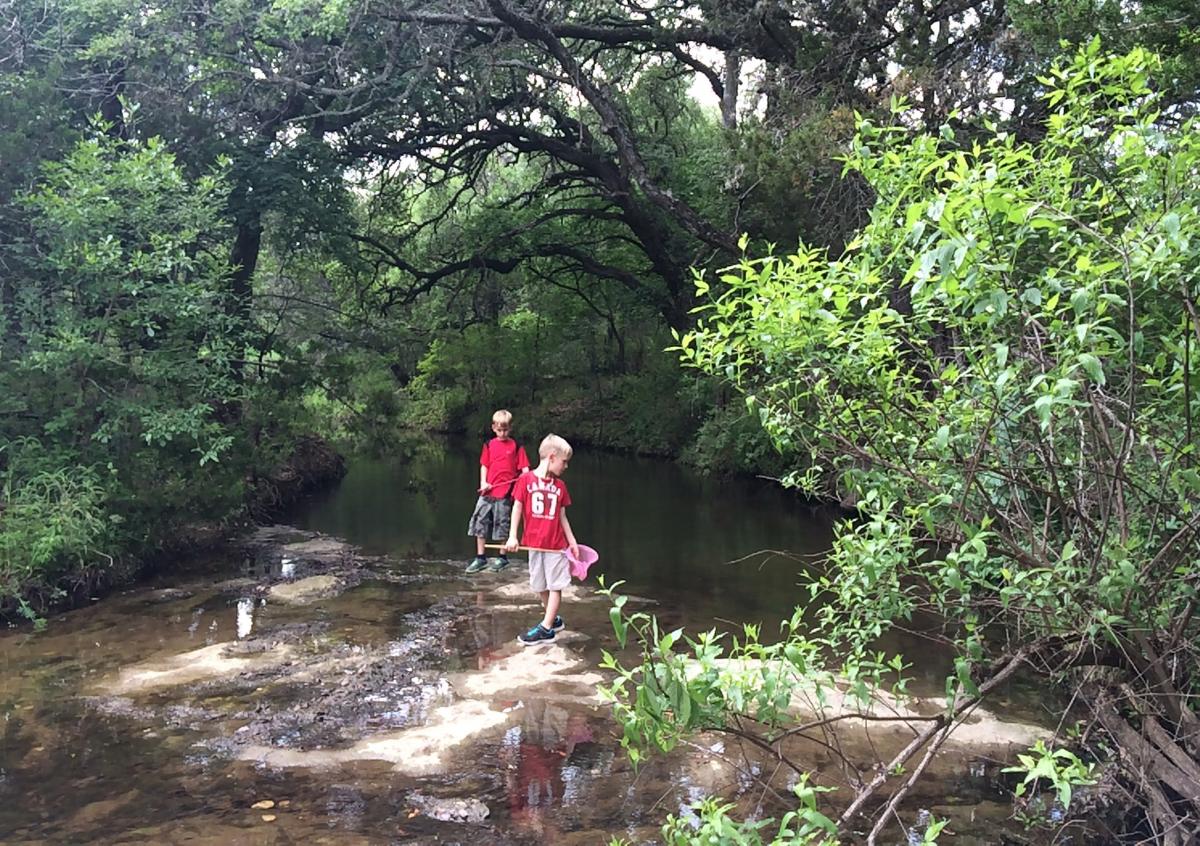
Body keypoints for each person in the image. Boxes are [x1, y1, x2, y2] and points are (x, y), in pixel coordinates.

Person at [503, 433, 580, 645]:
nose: (566, 466)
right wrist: (512, 536)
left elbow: (562, 517)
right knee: (539, 585)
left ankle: (546, 629)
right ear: (552, 457)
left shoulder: (560, 487)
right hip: (534, 544)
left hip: (556, 546)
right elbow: (517, 507)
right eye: (564, 462)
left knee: (555, 585)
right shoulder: (525, 481)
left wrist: (572, 542)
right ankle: (553, 619)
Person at [465, 409, 530, 574]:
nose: (503, 433)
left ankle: (502, 557)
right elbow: (484, 465)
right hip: (488, 492)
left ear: (510, 428)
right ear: (493, 427)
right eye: (500, 430)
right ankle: (480, 557)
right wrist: (483, 482)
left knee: (502, 523)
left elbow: (524, 469)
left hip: (506, 493)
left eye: (506, 430)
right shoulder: (488, 445)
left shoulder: (516, 446)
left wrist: (526, 478)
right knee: (480, 521)